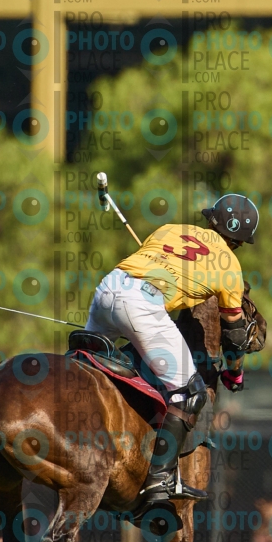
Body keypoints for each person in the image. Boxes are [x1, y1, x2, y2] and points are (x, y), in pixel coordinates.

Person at [85, 194, 259, 503]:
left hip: (109, 287)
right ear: (238, 243)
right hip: (142, 305)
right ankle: (161, 480)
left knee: (87, 366)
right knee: (189, 393)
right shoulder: (231, 267)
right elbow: (234, 336)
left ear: (210, 221)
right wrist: (235, 374)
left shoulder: (171, 229)